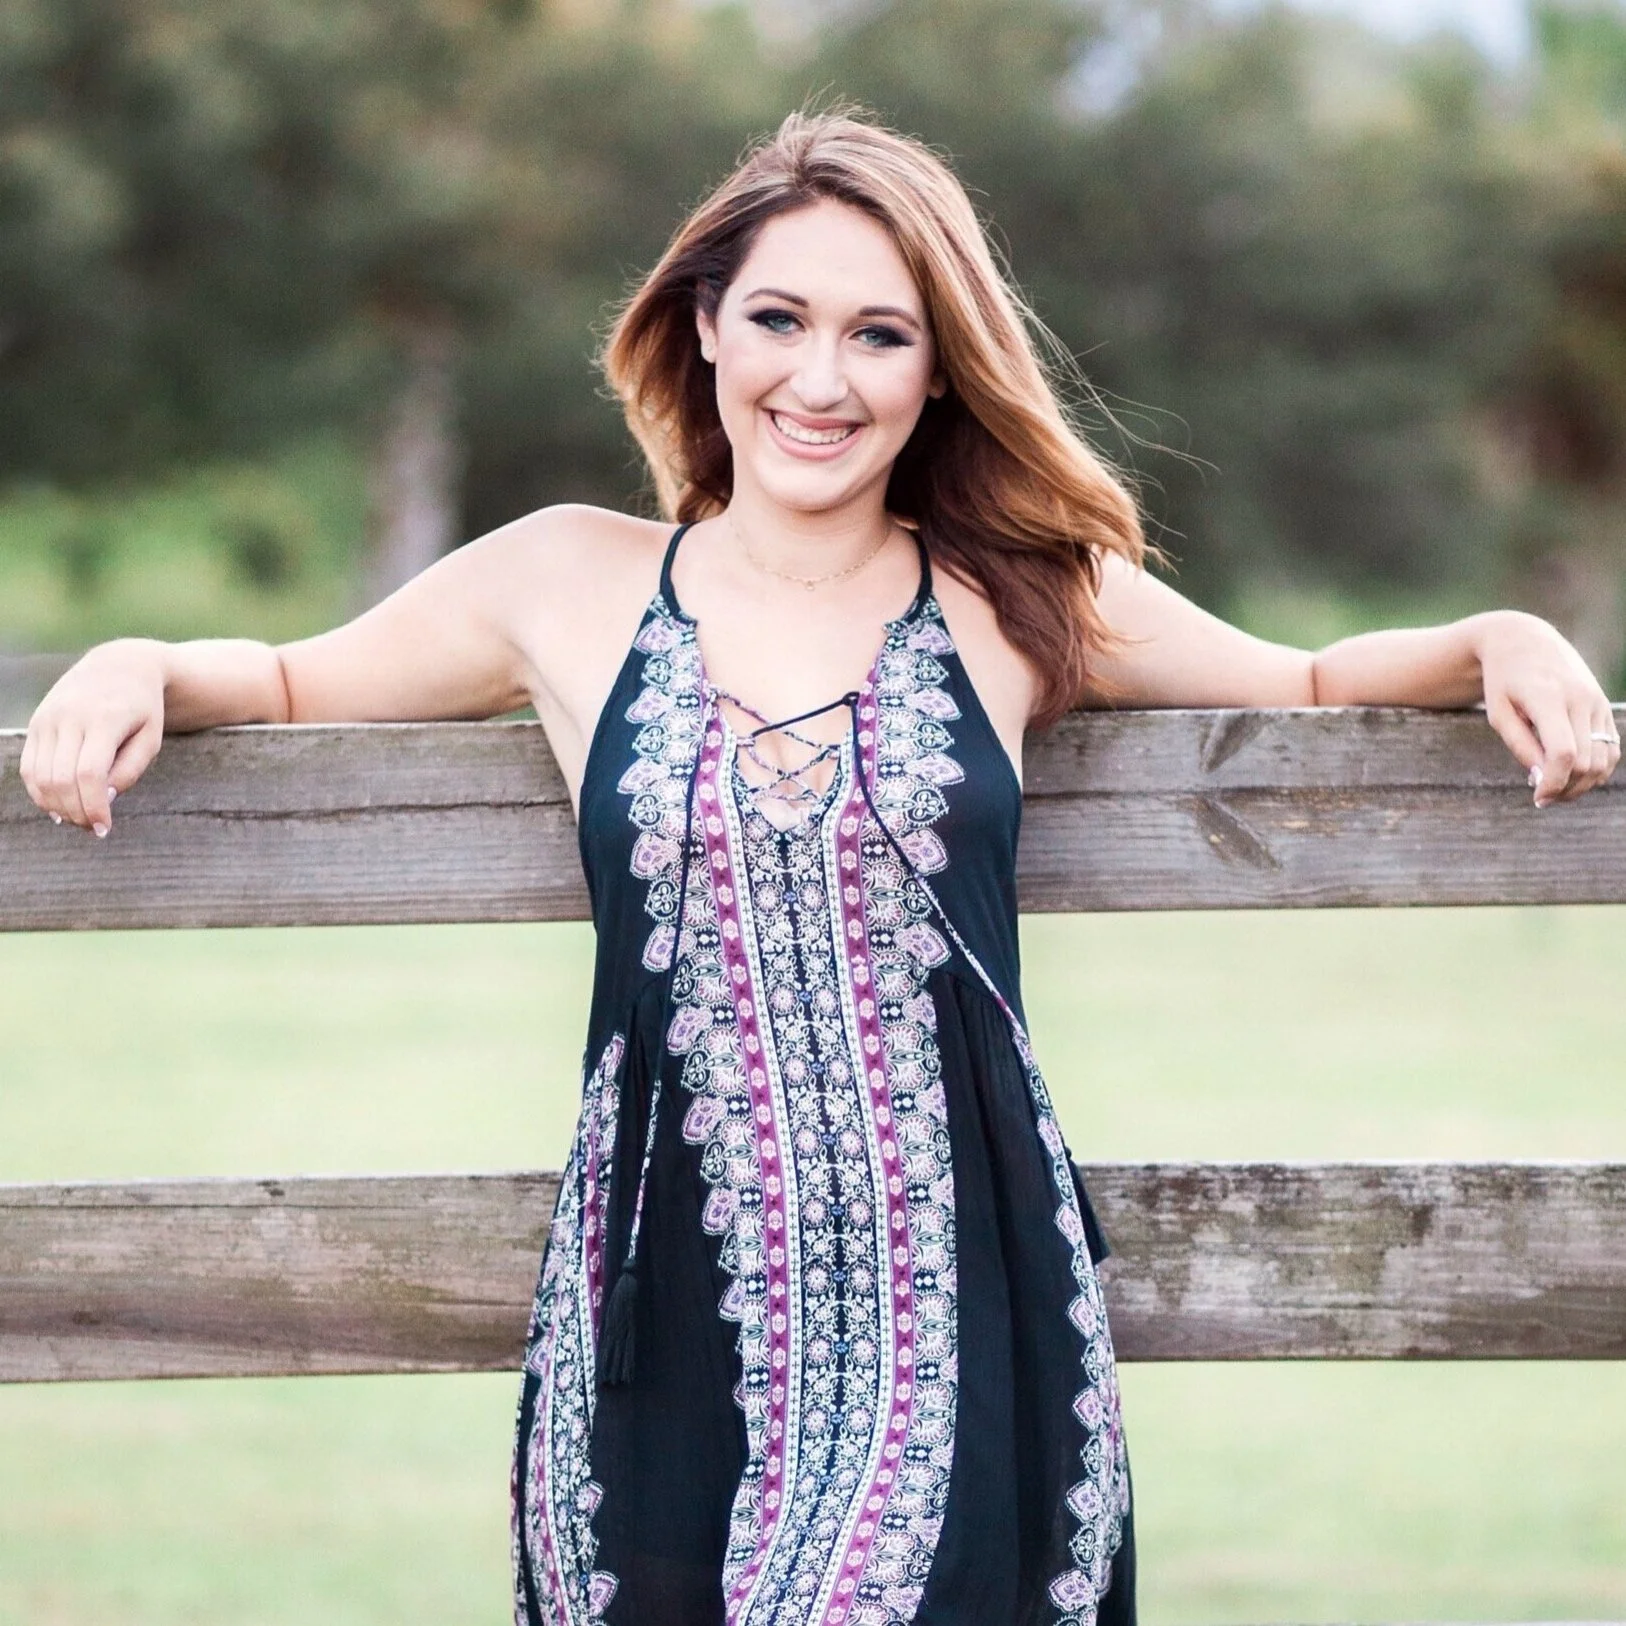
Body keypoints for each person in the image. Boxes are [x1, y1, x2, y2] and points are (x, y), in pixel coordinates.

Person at [18, 107, 1619, 1626]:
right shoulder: (564, 582)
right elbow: (296, 679)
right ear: (702, 324)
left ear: (937, 376)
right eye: (780, 318)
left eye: (880, 333)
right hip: (660, 1290)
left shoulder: (1018, 594)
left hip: (953, 1287)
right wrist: (139, 661)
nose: (820, 378)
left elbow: (1316, 678)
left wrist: (1498, 634)